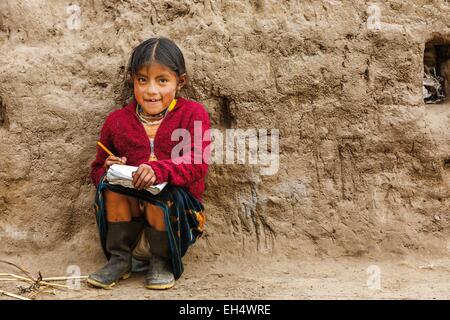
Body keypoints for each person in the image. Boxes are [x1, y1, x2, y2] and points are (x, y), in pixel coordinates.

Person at [88, 37, 210, 290]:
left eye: (162, 80)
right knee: (111, 189)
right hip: (130, 222)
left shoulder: (193, 114)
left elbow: (198, 163)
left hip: (176, 217)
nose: (151, 90)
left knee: (165, 192)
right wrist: (108, 170)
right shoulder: (117, 121)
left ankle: (161, 260)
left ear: (180, 82)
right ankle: (121, 259)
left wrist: (158, 171)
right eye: (142, 80)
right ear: (132, 80)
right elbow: (96, 169)